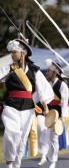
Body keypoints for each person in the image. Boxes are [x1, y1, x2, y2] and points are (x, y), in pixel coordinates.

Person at [0, 39, 53, 168]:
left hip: (28, 108)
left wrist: (46, 108)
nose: (12, 55)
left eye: (14, 52)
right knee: (11, 133)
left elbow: (41, 92)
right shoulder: (8, 68)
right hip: (11, 105)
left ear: (22, 54)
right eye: (11, 52)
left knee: (23, 138)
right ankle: (9, 164)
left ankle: (17, 165)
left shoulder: (35, 72)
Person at [37, 59, 69, 168]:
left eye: (48, 71)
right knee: (42, 130)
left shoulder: (62, 85)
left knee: (54, 138)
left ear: (55, 72)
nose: (46, 73)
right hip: (45, 111)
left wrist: (63, 117)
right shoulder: (45, 83)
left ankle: (53, 161)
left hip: (57, 114)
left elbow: (64, 102)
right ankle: (43, 155)